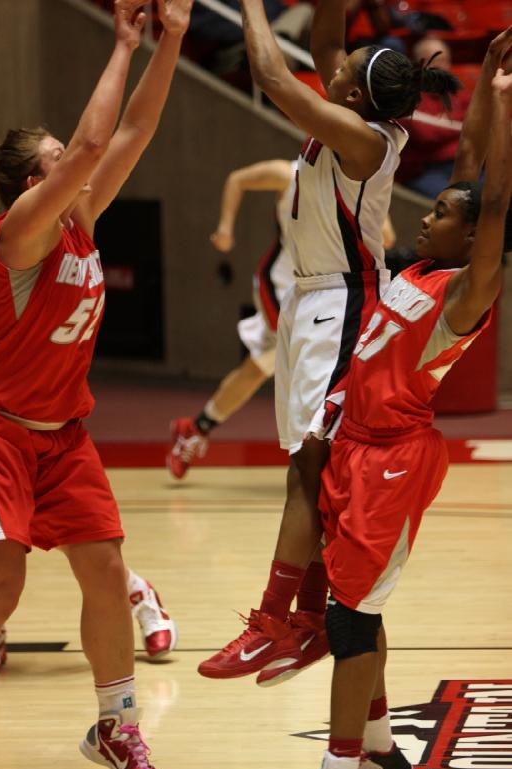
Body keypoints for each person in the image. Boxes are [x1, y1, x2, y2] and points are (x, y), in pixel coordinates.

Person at [198, 0, 458, 696]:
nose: (330, 66)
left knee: (307, 468)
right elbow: (323, 34)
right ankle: (309, 617)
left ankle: (275, 619)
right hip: (311, 302)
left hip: (341, 303)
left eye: (339, 69)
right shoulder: (349, 115)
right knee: (309, 470)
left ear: (350, 92)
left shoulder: (361, 139)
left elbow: (270, 72)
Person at [0, 0, 191, 769]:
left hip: (64, 438)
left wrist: (169, 40)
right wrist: (124, 39)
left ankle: (117, 727)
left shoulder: (82, 218)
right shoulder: (24, 232)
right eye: (63, 156)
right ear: (38, 180)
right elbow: (101, 138)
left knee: (106, 574)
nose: (83, 160)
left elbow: (131, 133)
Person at [305, 27, 512, 769]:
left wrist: (504, 108)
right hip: (354, 448)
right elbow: (465, 179)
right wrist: (487, 76)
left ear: (473, 237)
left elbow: (490, 200)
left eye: (445, 215)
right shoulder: (426, 264)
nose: (427, 215)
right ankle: (382, 752)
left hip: (392, 462)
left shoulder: (465, 295)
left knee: (349, 624)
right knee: (358, 609)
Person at [167, 158, 296, 479]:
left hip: (319, 289)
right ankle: (321, 458)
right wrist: (225, 227)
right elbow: (237, 178)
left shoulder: (352, 178)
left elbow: (387, 235)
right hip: (281, 284)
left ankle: (196, 428)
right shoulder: (289, 173)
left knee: (257, 369)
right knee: (302, 360)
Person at [396, 37, 472, 199]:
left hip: (462, 165)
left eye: (444, 61)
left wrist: (439, 123)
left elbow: (475, 129)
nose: (439, 67)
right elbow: (425, 136)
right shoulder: (407, 96)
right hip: (424, 171)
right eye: (432, 61)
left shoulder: (460, 95)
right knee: (456, 201)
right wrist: (456, 126)